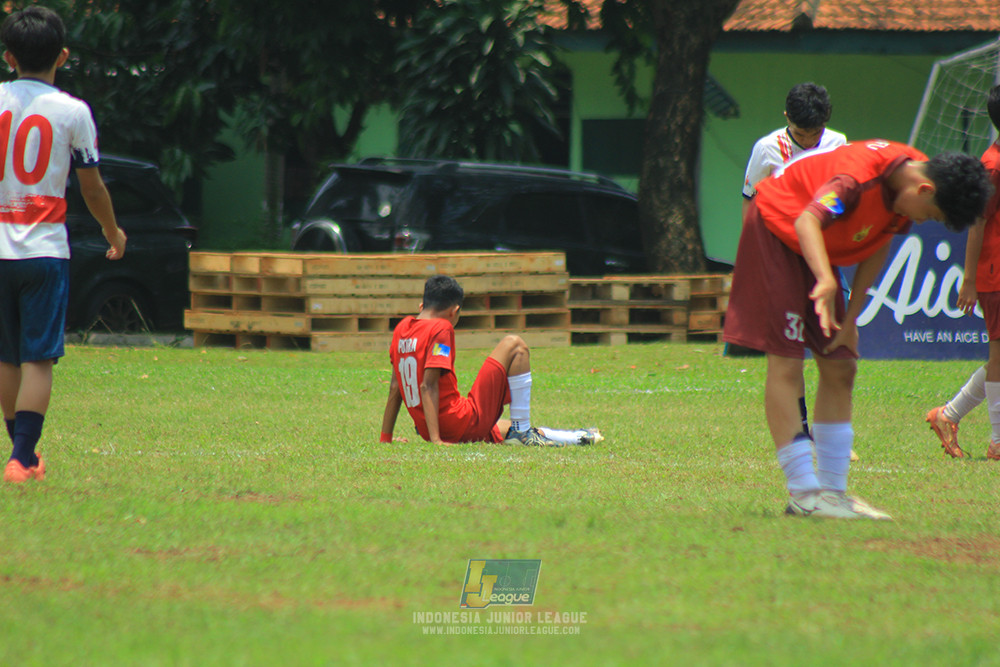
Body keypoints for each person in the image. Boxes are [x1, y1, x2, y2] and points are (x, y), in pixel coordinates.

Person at [724, 139, 991, 520]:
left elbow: (878, 244)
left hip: (814, 246)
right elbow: (806, 220)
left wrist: (851, 320)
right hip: (776, 229)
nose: (922, 221)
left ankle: (832, 494)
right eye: (930, 214)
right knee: (786, 362)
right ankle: (803, 493)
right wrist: (824, 278)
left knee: (841, 363)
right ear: (925, 189)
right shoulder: (856, 179)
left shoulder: (907, 189)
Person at [0, 6, 127, 483]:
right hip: (44, 251)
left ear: (9, 56)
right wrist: (112, 232)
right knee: (38, 357)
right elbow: (92, 187)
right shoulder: (73, 112)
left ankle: (23, 455)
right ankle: (22, 457)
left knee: (7, 356)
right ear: (64, 56)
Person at [740, 82, 848, 443]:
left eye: (814, 132)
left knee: (836, 351)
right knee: (790, 352)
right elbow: (750, 204)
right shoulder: (767, 149)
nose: (808, 138)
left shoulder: (838, 144)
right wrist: (753, 256)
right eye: (801, 133)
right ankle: (800, 431)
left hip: (822, 259)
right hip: (780, 259)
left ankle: (831, 432)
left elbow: (845, 198)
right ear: (787, 118)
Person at [379, 274, 602, 447]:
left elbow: (395, 387)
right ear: (454, 311)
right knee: (515, 345)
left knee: (500, 429)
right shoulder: (442, 328)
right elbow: (428, 385)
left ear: (422, 306)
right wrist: (437, 441)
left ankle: (579, 437)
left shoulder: (401, 329)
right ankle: (523, 432)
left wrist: (385, 438)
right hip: (454, 423)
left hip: (430, 427)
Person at [926, 85, 1000, 460]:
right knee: (999, 355)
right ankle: (998, 442)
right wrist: (969, 280)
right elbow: (976, 222)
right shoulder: (993, 164)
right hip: (995, 273)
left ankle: (948, 414)